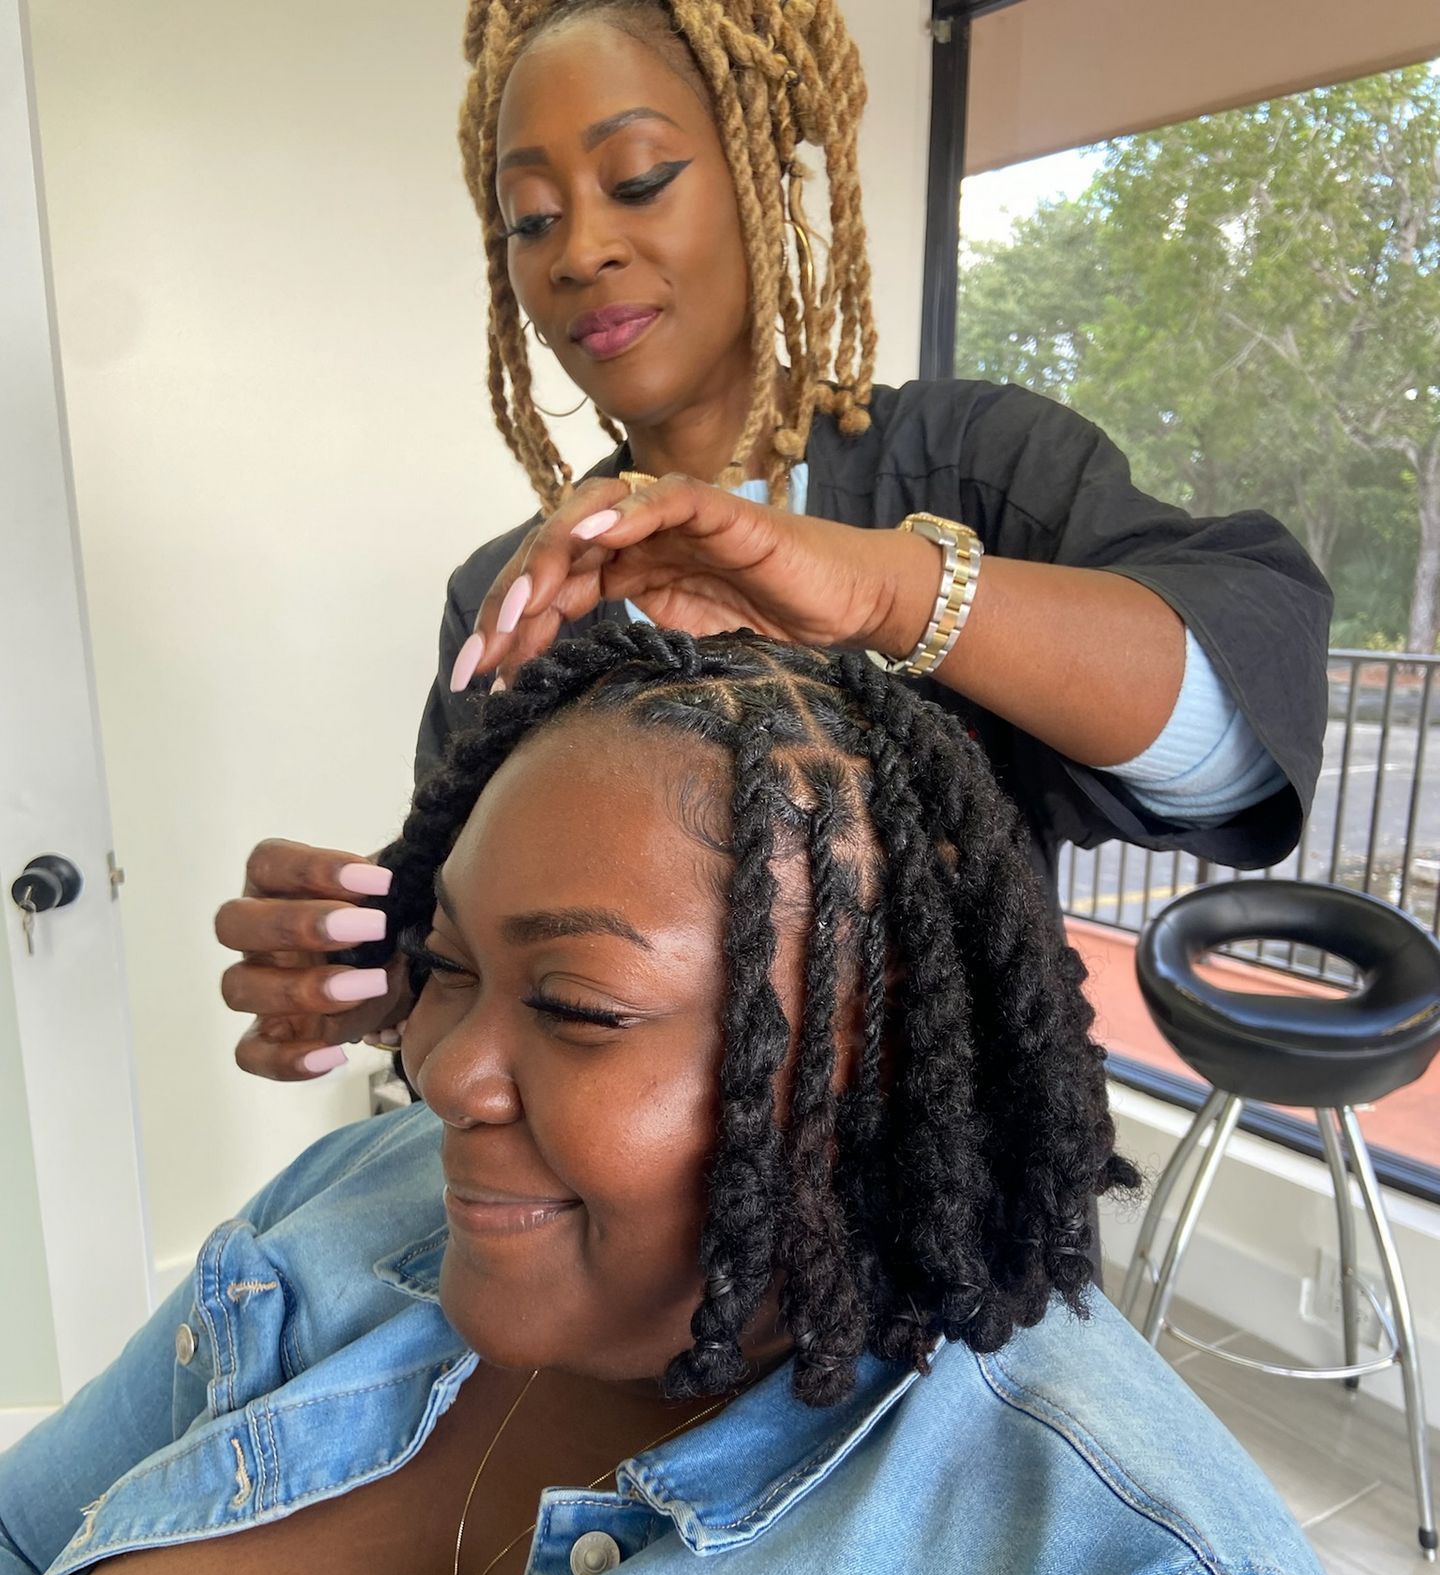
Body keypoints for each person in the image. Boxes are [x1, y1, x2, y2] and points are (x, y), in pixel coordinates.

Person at [0, 631, 1411, 1575]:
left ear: (873, 1059)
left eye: (576, 1006)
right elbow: (25, 1537)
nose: (439, 1074)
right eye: (445, 970)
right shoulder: (346, 1223)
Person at [214, 0, 1332, 1083]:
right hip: (615, 1243)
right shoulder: (507, 593)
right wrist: (385, 978)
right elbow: (481, 955)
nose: (580, 251)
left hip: (934, 1225)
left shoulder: (975, 466)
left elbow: (1230, 749)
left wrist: (883, 591)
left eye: (639, 180)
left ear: (763, 178)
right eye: (532, 219)